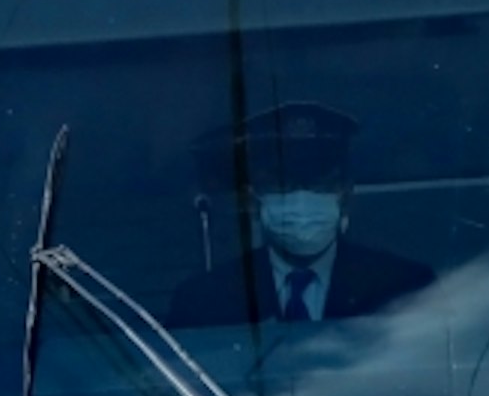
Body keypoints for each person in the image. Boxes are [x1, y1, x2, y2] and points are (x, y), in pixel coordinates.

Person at [171, 101, 433, 329]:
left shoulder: (403, 288)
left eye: (319, 184)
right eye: (282, 185)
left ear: (346, 195)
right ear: (252, 200)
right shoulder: (203, 299)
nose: (301, 198)